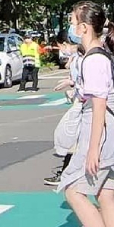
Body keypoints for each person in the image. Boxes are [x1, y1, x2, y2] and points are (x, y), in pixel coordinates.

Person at [57, 2, 114, 227]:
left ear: (84, 28)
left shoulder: (94, 59)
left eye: (73, 22)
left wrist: (91, 149)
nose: (71, 27)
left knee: (73, 191)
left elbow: (99, 104)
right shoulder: (98, 57)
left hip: (99, 131)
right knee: (106, 193)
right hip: (109, 132)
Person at [44, 40, 83, 185]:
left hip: (85, 105)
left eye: (62, 47)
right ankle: (66, 172)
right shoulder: (78, 57)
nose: (62, 50)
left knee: (71, 138)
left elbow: (86, 82)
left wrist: (73, 84)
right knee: (74, 139)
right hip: (81, 103)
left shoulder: (86, 57)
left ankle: (66, 174)